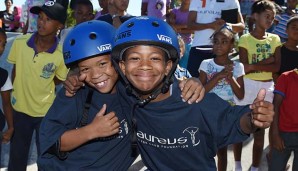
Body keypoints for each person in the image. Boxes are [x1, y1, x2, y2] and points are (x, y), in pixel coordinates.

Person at [111, 16, 274, 170]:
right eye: (134, 58)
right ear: (123, 67)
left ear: (168, 66)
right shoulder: (125, 97)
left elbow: (234, 120)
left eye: (154, 58)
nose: (144, 65)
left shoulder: (192, 99)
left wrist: (253, 118)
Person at [38, 20, 138, 170]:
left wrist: (186, 82)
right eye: (85, 69)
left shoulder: (132, 91)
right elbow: (51, 142)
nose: (96, 75)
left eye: (102, 64)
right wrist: (92, 131)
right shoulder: (75, 94)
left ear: (118, 60)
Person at [6, 1, 68, 170]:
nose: (41, 22)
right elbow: (15, 70)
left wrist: (43, 80)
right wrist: (17, 92)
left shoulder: (61, 54)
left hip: (46, 114)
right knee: (17, 158)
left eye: (48, 19)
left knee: (46, 158)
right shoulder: (20, 43)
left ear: (60, 26)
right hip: (20, 110)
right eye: (40, 17)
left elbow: (59, 79)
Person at [232, 1, 281, 171]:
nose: (270, 20)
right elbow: (244, 67)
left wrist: (254, 66)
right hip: (247, 86)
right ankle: (237, 165)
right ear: (255, 16)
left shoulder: (275, 39)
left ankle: (254, 167)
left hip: (267, 87)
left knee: (260, 130)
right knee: (239, 128)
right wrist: (265, 62)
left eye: (272, 18)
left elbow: (276, 67)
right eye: (267, 16)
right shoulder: (245, 39)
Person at [198, 25, 245, 171]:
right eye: (216, 41)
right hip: (206, 113)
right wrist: (218, 77)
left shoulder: (238, 67)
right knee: (203, 151)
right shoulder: (206, 64)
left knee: (222, 151)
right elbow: (201, 92)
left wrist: (230, 78)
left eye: (224, 41)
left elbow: (241, 95)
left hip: (224, 114)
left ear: (232, 45)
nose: (219, 45)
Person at [187, 0, 245, 77]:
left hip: (222, 51)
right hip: (198, 49)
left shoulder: (232, 1)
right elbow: (190, 25)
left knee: (220, 86)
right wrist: (210, 25)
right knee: (193, 83)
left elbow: (241, 26)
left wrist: (226, 25)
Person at [268, 68, 298, 171]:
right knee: (276, 167)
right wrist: (275, 134)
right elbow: (275, 106)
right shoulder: (286, 77)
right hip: (284, 135)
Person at [0, 28, 14, 167]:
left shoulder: (3, 75)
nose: (1, 48)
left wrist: (10, 128)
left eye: (4, 44)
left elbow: (6, 103)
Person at [168, 0, 193, 69]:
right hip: (174, 43)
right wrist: (186, 26)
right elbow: (171, 26)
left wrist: (178, 28)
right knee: (172, 66)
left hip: (187, 44)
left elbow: (193, 29)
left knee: (184, 67)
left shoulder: (192, 13)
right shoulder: (174, 11)